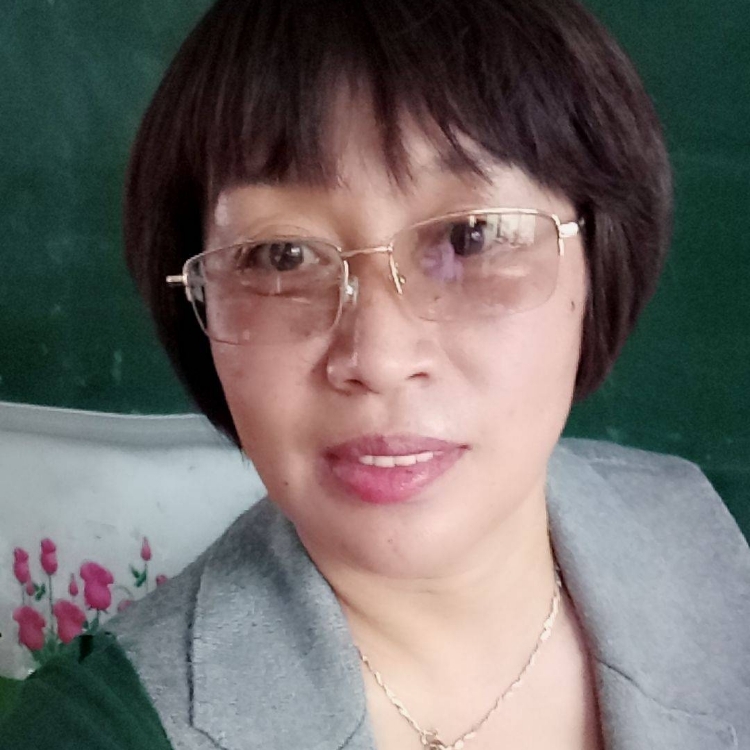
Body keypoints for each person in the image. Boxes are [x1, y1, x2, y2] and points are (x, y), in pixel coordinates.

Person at [2, 0, 749, 748]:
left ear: (600, 255)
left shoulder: (697, 533)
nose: (379, 359)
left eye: (472, 236)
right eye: (281, 255)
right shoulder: (92, 732)